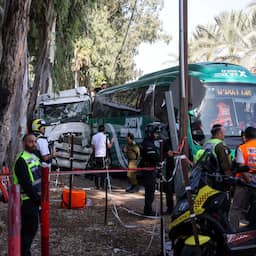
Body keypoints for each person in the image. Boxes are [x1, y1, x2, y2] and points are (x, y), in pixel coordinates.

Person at [13, 134, 41, 256]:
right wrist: (38, 200)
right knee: (28, 232)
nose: (34, 144)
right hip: (27, 201)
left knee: (30, 231)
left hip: (35, 200)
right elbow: (26, 184)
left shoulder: (35, 157)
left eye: (35, 141)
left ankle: (24, 252)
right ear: (24, 143)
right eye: (30, 142)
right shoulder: (21, 160)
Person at [229, 127, 256, 230]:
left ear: (246, 136)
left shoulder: (242, 148)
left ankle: (233, 230)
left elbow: (240, 167)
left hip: (245, 182)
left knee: (236, 208)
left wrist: (249, 181)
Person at [203, 124, 232, 190]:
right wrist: (230, 179)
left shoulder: (206, 143)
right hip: (219, 179)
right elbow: (225, 165)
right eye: (223, 133)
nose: (224, 135)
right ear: (219, 134)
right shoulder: (220, 145)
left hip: (207, 177)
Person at [140, 124, 160, 216]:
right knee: (150, 191)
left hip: (149, 169)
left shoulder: (148, 142)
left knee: (150, 190)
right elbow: (153, 157)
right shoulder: (148, 144)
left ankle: (148, 209)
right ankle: (148, 210)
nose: (157, 135)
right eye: (155, 133)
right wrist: (160, 158)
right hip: (148, 170)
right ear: (150, 133)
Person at [91, 124, 114, 189]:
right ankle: (101, 185)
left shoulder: (94, 137)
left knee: (96, 171)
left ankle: (96, 185)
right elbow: (109, 146)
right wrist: (112, 142)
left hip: (96, 156)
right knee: (103, 171)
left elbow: (93, 147)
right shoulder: (105, 137)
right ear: (104, 130)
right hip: (103, 156)